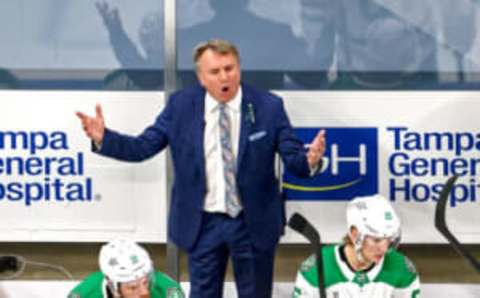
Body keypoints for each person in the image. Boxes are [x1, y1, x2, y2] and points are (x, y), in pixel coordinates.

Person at [76, 39, 326, 298]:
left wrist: (311, 160)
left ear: (239, 68)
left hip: (252, 223)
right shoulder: (181, 106)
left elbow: (295, 160)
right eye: (215, 72)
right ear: (201, 77)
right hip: (203, 223)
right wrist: (103, 138)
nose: (224, 77)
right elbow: (142, 147)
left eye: (229, 68)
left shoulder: (268, 106)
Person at [292, 194, 421, 297]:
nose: (384, 248)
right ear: (354, 234)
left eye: (388, 239)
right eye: (376, 240)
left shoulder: (402, 269)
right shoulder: (315, 270)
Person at [68, 238, 184, 298]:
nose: (144, 292)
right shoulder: (84, 294)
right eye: (133, 288)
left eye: (145, 282)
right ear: (113, 287)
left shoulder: (168, 291)